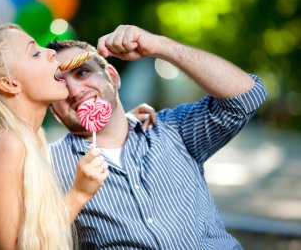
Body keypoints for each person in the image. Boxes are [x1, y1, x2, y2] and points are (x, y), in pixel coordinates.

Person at [47, 25, 268, 249]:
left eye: (82, 72)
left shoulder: (173, 128)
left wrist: (160, 46)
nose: (75, 91)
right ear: (54, 111)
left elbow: (247, 97)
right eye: (60, 85)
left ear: (112, 77)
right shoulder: (47, 165)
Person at [0, 23, 114, 250]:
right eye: (36, 53)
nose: (50, 53)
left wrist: (130, 120)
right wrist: (78, 194)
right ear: (10, 84)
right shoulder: (5, 143)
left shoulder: (27, 138)